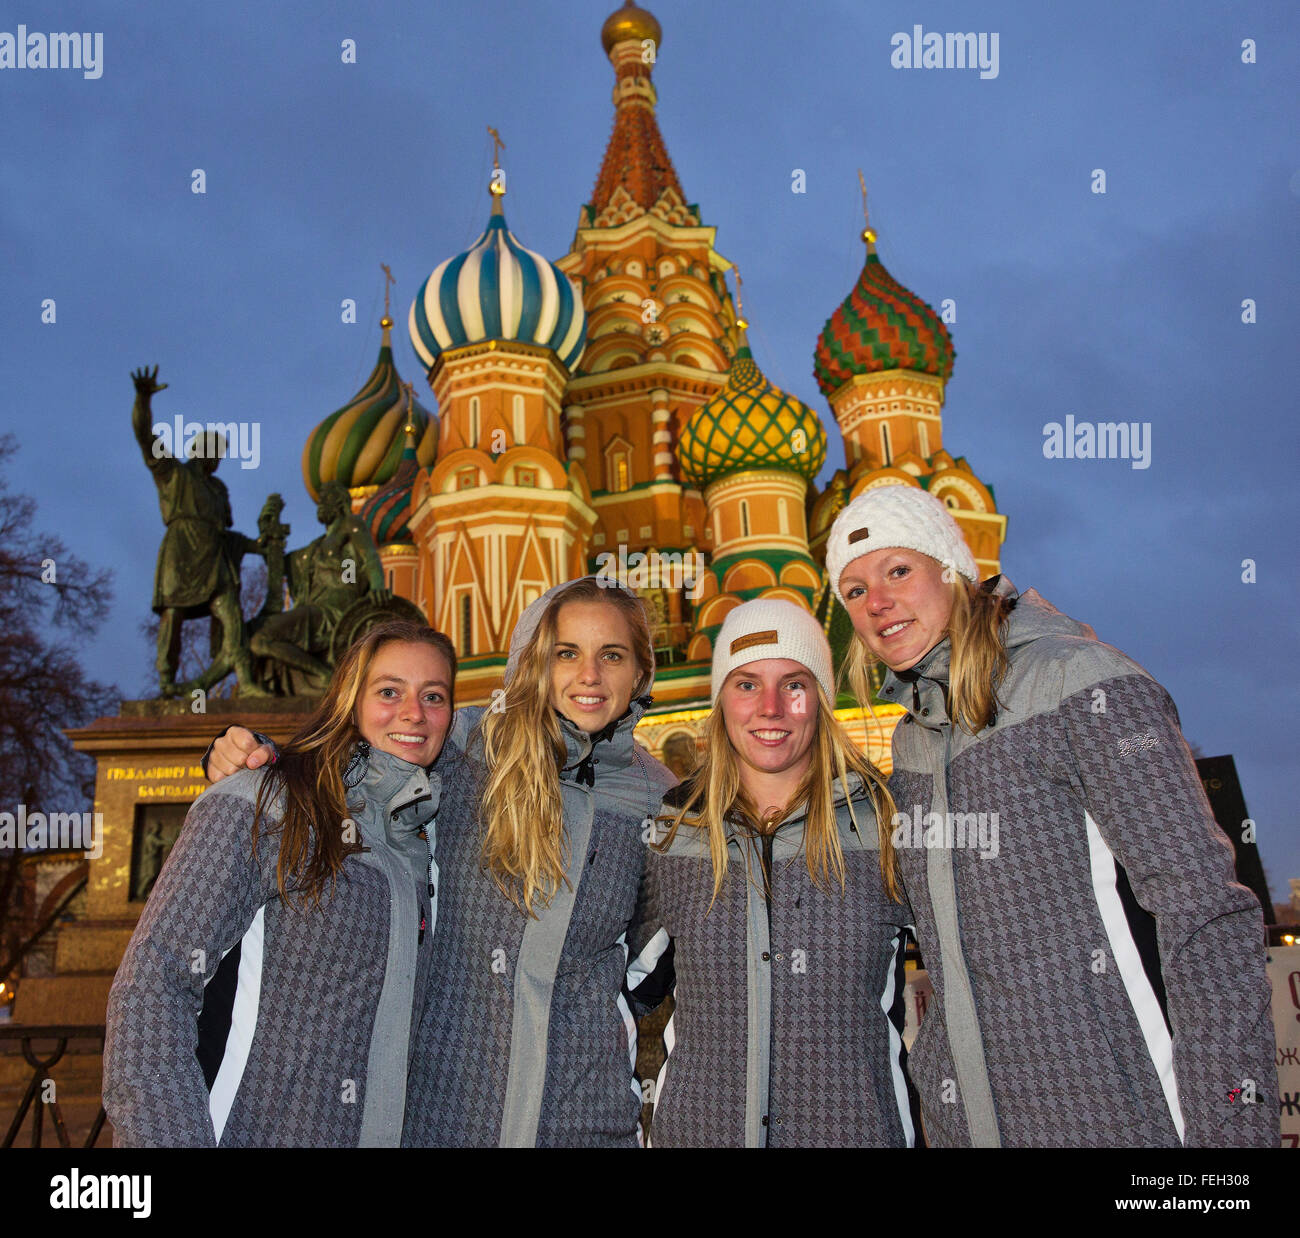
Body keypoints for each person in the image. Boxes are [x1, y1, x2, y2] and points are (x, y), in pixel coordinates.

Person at [824, 483, 1278, 1148]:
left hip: (1130, 1120)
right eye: (854, 590)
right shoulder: (916, 738)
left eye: (898, 570)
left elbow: (1205, 912)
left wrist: (1232, 1131)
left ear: (951, 570)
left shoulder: (1082, 684)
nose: (878, 604)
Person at [205, 577, 678, 1147]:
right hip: (440, 1114)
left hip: (584, 1123)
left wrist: (590, 1021)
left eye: (613, 655)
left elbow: (653, 958)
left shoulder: (658, 799)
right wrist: (258, 757)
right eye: (567, 653)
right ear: (535, 661)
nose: (590, 676)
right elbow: (359, 763)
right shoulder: (466, 742)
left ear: (641, 670)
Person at [104, 621, 456, 1146]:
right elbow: (152, 987)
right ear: (349, 701)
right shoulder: (262, 803)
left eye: (435, 696)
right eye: (389, 691)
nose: (413, 713)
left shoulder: (426, 844)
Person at [625, 600, 916, 1147]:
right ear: (720, 702)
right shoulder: (675, 831)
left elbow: (984, 976)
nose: (771, 708)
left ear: (822, 700)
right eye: (746, 684)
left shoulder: (883, 823)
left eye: (795, 684)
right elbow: (618, 981)